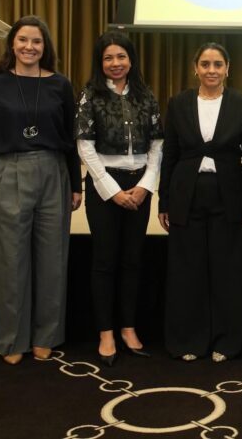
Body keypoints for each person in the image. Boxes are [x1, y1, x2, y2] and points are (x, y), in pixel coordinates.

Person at [0, 16, 83, 365]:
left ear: (45, 47)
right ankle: (12, 340)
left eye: (36, 41)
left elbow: (70, 138)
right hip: (10, 170)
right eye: (22, 40)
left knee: (53, 259)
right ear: (12, 44)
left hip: (54, 170)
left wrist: (75, 183)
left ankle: (46, 336)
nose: (29, 47)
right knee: (10, 260)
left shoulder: (61, 85)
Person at [158, 42, 242, 363]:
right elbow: (169, 155)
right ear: (195, 68)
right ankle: (188, 340)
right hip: (186, 193)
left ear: (227, 68)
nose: (211, 70)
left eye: (218, 64)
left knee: (227, 272)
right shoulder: (178, 103)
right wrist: (164, 201)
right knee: (187, 272)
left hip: (229, 195)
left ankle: (226, 342)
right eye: (205, 64)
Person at [76, 32, 163, 366]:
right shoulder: (90, 96)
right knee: (104, 261)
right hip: (104, 188)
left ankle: (128, 328)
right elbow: (85, 146)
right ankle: (106, 332)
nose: (115, 64)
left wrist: (145, 186)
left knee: (132, 260)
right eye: (108, 58)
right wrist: (111, 190)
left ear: (131, 60)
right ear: (101, 63)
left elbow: (157, 145)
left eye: (121, 57)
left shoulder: (146, 95)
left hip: (139, 186)